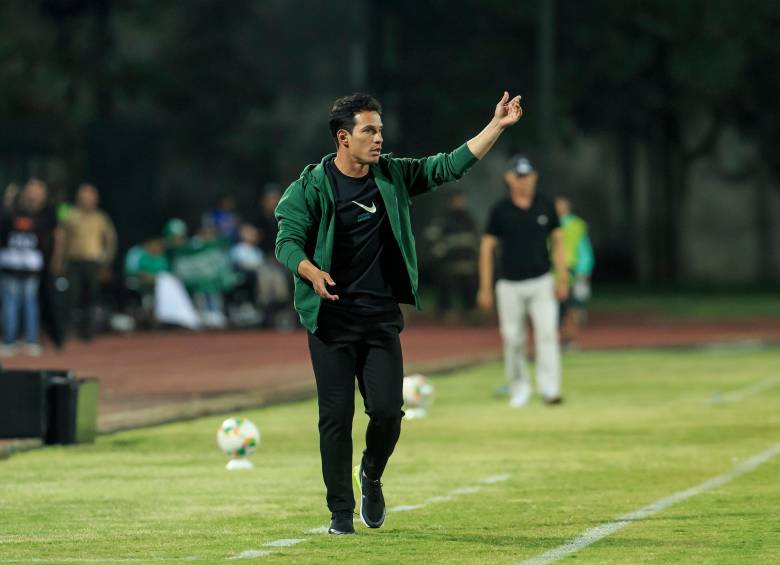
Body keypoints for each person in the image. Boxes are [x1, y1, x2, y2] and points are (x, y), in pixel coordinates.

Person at [275, 91, 523, 535]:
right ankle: (339, 515)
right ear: (343, 137)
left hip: (379, 318)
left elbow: (449, 165)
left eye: (380, 130)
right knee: (335, 419)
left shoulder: (391, 175)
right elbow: (286, 240)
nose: (378, 139)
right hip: (330, 320)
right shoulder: (311, 186)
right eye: (369, 130)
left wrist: (496, 127)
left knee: (388, 411)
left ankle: (371, 473)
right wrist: (310, 271)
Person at [478, 155, 568, 407]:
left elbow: (558, 241)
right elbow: (486, 248)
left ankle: (550, 388)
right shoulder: (500, 210)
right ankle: (519, 388)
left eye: (528, 176)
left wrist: (562, 277)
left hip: (541, 280)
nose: (524, 181)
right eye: (519, 176)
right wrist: (485, 287)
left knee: (548, 334)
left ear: (535, 177)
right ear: (509, 178)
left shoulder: (545, 204)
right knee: (513, 338)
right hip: (509, 284)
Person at [0, 179, 63, 356]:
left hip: (23, 266)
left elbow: (54, 237)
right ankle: (24, 340)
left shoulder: (15, 214)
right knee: (22, 303)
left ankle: (19, 340)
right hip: (19, 265)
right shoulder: (35, 216)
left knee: (21, 303)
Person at [63, 183, 117, 340]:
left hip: (93, 263)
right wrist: (60, 261)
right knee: (72, 296)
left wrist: (106, 262)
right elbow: (62, 240)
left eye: (91, 197)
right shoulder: (70, 216)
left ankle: (89, 330)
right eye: (84, 197)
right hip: (73, 262)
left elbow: (110, 241)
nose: (87, 200)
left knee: (92, 297)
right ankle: (71, 329)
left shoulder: (100, 218)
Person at [424, 190, 480, 322]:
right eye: (456, 201)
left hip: (466, 264)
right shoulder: (442, 220)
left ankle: (471, 311)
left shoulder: (469, 220)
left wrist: (476, 256)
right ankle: (446, 312)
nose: (459, 204)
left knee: (470, 287)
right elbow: (431, 239)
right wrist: (439, 252)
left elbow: (476, 239)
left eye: (461, 200)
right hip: (448, 265)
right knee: (446, 287)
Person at [555, 196, 594, 347]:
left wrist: (583, 270)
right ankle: (561, 338)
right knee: (560, 307)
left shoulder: (576, 225)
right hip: (556, 271)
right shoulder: (549, 223)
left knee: (573, 306)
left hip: (572, 269)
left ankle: (570, 338)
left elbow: (583, 249)